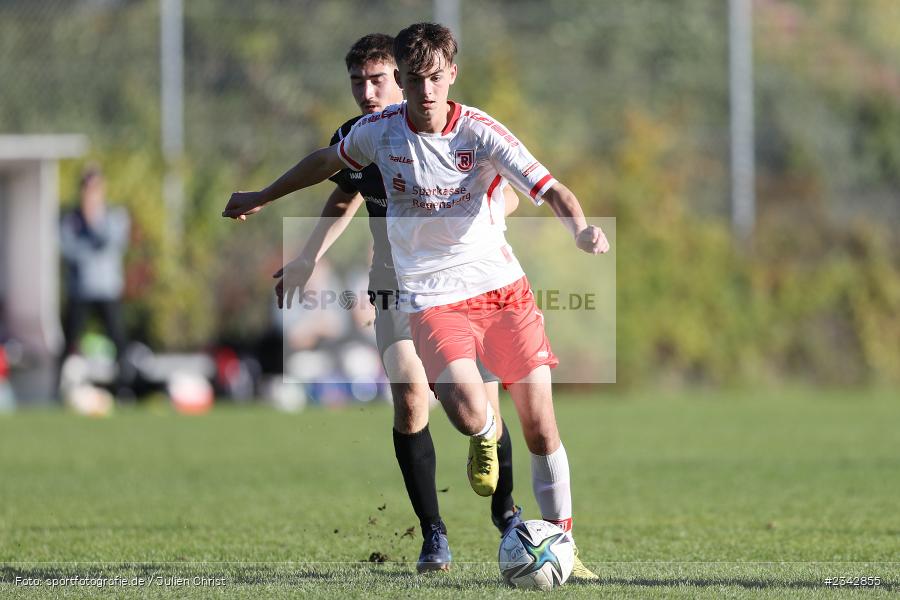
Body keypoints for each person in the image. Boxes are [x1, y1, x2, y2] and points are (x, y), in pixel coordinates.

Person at [223, 23, 609, 580]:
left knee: (541, 427)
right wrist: (265, 199)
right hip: (421, 290)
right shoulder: (375, 132)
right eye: (412, 79)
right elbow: (328, 170)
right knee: (453, 408)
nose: (424, 90)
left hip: (501, 289)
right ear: (404, 80)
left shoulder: (479, 131)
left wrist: (579, 229)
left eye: (434, 77)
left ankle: (556, 543)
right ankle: (454, 494)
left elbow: (548, 188)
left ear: (450, 74)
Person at [272, 34, 523, 572]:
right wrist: (307, 257)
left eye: (377, 80)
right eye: (358, 82)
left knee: (482, 408)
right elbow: (344, 193)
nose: (367, 92)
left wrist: (489, 208)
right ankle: (434, 534)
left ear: (404, 77)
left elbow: (510, 186)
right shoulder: (362, 137)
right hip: (393, 282)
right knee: (411, 399)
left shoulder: (454, 128)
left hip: (464, 283)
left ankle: (509, 519)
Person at [59, 166, 132, 397]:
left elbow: (112, 242)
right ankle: (60, 390)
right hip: (80, 290)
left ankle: (125, 389)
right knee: (69, 342)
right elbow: (68, 249)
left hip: (107, 290)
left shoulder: (113, 215)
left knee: (118, 341)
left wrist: (93, 221)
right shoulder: (70, 219)